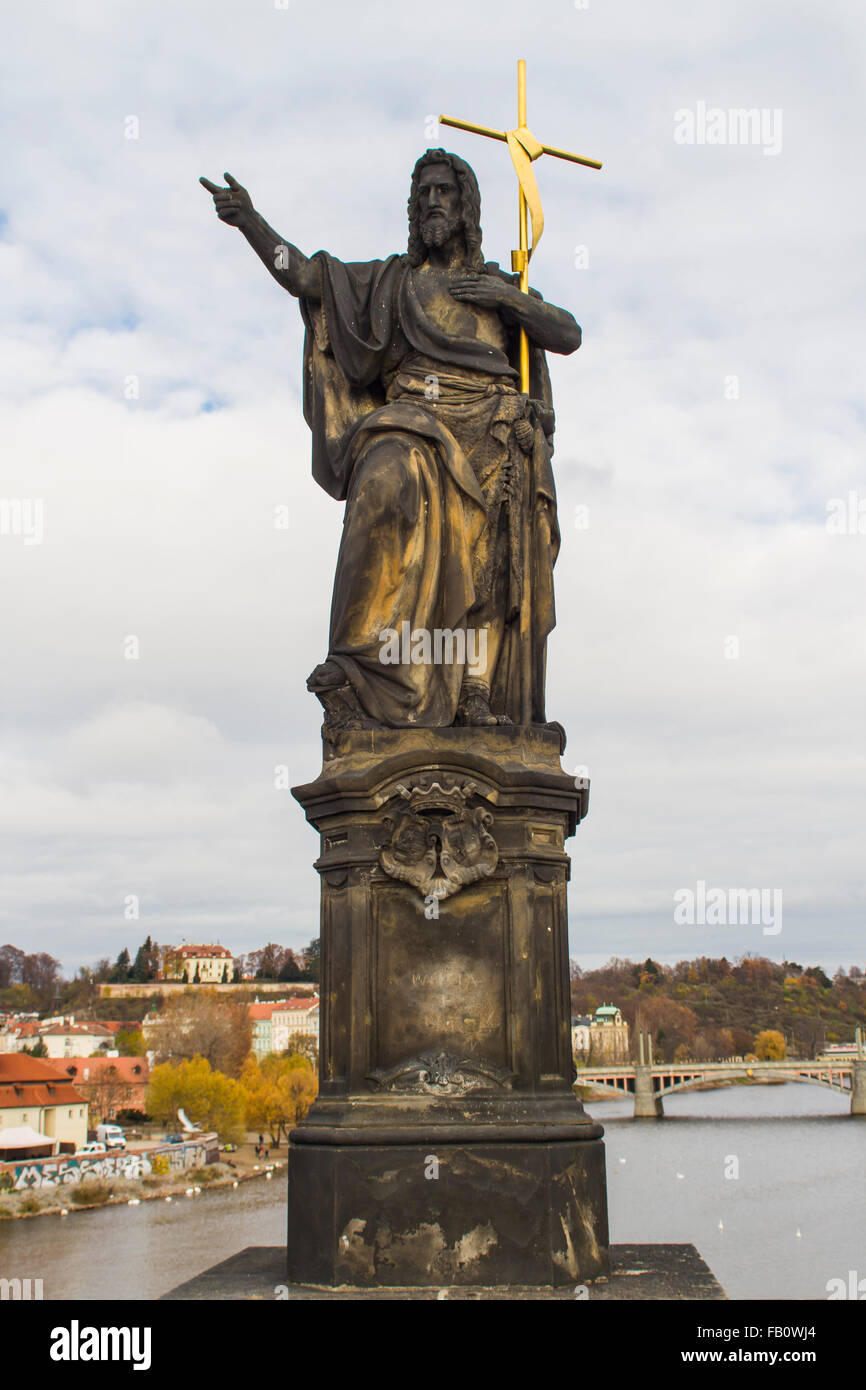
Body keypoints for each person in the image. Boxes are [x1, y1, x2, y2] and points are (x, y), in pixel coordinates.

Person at [201, 151, 581, 731]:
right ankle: (359, 668)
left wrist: (507, 298)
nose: (431, 202)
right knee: (383, 479)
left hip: (495, 424)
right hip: (414, 420)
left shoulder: (500, 287)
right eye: (422, 193)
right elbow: (304, 276)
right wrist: (250, 221)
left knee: (487, 562)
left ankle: (474, 694)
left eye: (444, 193)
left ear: (466, 207)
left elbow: (567, 334)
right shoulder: (392, 282)